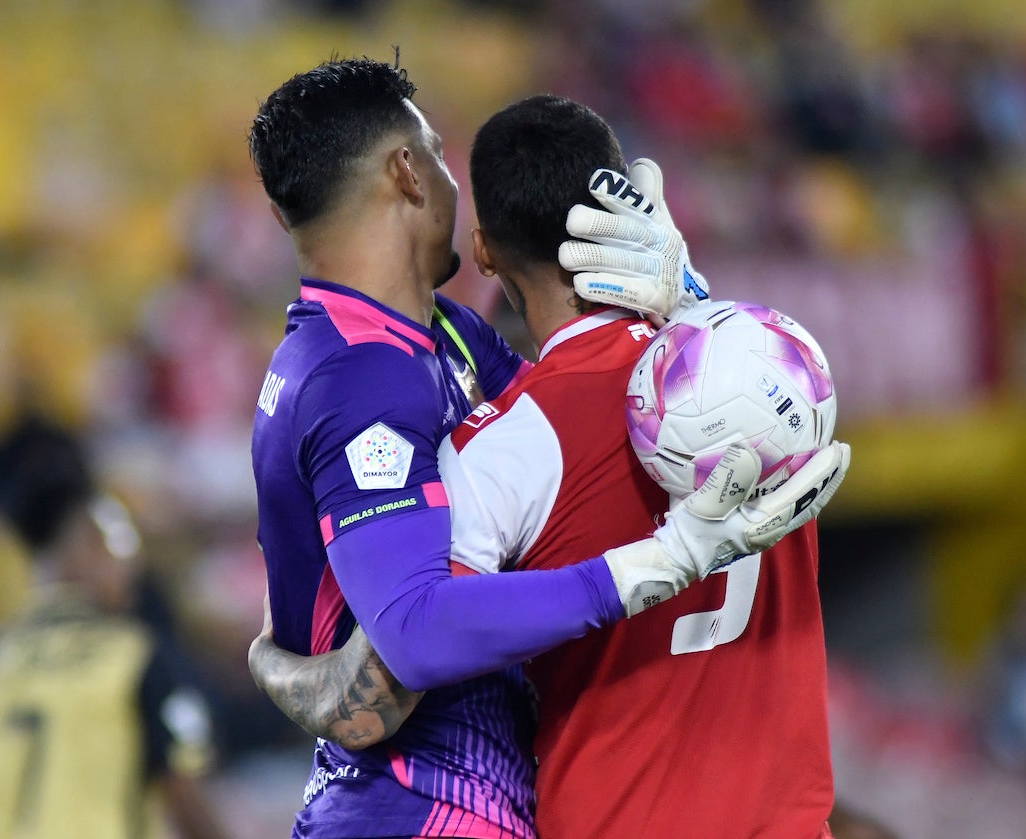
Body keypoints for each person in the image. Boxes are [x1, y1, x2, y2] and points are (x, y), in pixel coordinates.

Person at [246, 56, 846, 839]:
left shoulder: (446, 340)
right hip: (418, 812)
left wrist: (685, 306)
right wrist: (651, 563)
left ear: (490, 249)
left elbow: (576, 385)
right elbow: (403, 652)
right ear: (406, 172)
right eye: (434, 148)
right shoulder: (358, 377)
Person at [0, 423, 230, 839]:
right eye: (116, 545)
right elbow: (185, 795)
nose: (131, 565)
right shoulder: (131, 655)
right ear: (84, 545)